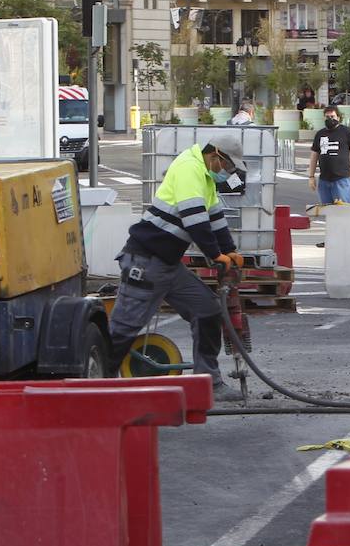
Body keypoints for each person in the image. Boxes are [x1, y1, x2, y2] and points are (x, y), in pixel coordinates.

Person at [106, 134, 247, 401]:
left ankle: (208, 383)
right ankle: (94, 385)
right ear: (215, 155)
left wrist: (230, 251)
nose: (226, 173)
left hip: (167, 264)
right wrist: (216, 255)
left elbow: (214, 217)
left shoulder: (204, 176)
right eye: (227, 166)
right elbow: (195, 220)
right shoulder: (188, 168)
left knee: (208, 310)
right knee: (123, 329)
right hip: (146, 261)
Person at [309, 104, 350, 207]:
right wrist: (311, 176)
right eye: (327, 117)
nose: (330, 119)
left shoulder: (346, 132)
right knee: (328, 210)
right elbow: (314, 155)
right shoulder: (320, 134)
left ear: (338, 117)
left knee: (343, 210)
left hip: (341, 179)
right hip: (324, 179)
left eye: (332, 116)